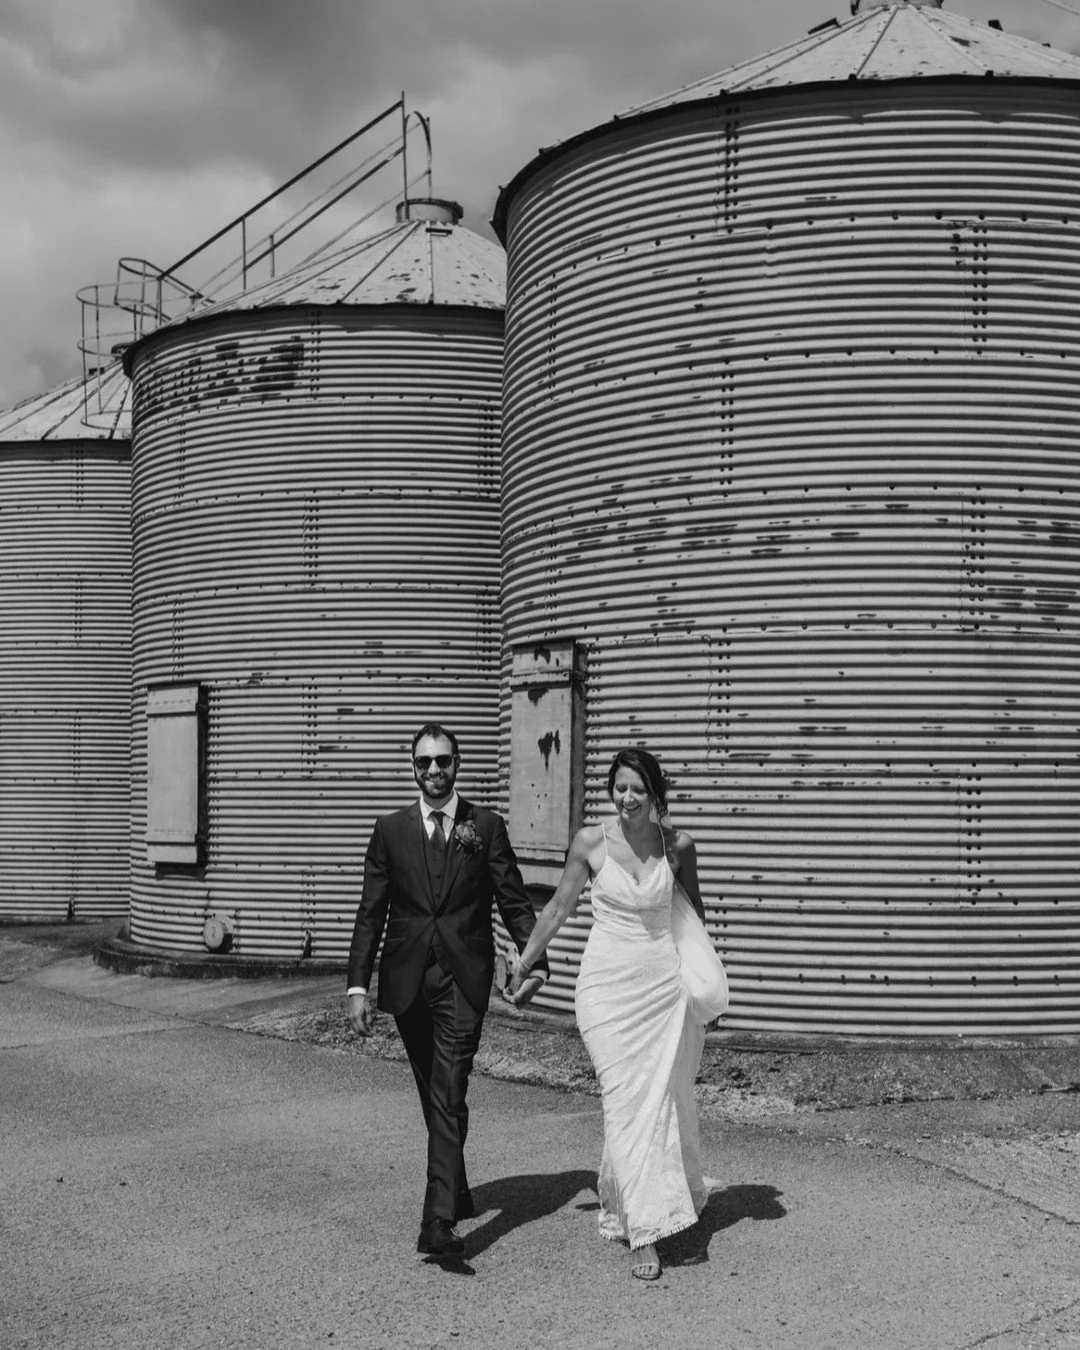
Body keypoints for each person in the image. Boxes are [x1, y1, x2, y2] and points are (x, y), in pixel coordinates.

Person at [508, 747, 727, 1281]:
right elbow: (559, 906)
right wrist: (524, 962)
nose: (626, 798)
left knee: (658, 1102)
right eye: (619, 788)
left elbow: (694, 915)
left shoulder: (679, 847)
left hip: (661, 990)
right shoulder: (590, 842)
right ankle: (642, 1233)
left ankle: (645, 1205)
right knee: (624, 1101)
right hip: (605, 990)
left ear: (655, 793)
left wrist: (707, 988)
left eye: (637, 789)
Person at [347, 723, 547, 1259]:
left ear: (458, 763)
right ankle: (455, 1189)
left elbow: (513, 898)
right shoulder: (390, 830)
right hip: (408, 979)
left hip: (464, 977)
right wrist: (357, 985)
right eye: (424, 762)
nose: (434, 770)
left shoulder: (485, 825)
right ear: (412, 768)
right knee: (433, 1093)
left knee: (449, 1085)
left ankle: (436, 1224)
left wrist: (535, 962)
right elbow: (372, 912)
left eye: (443, 760)